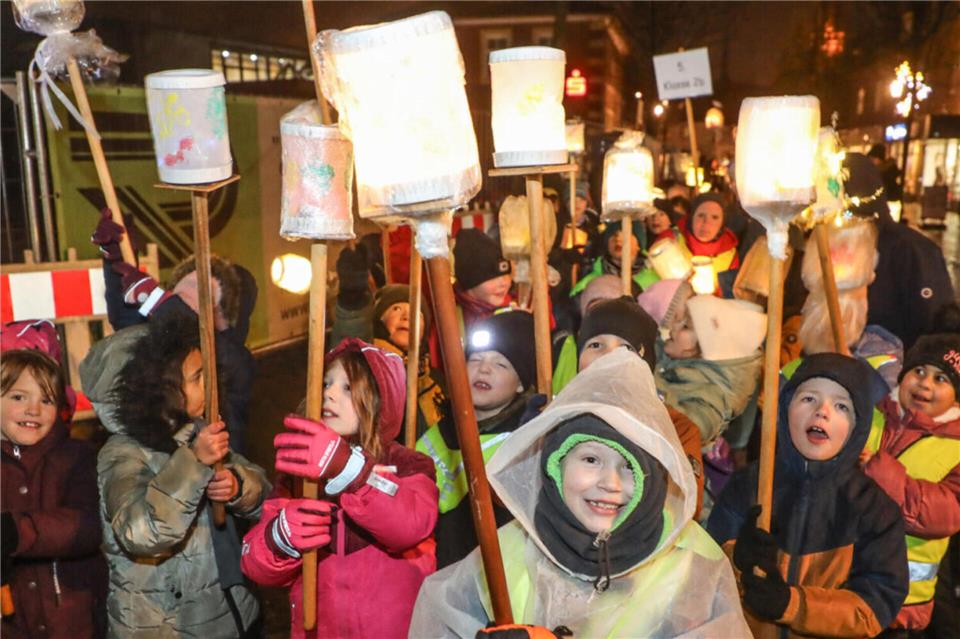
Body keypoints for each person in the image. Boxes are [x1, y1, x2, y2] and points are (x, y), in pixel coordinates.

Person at [409, 348, 750, 637]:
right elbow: (440, 617)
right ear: (555, 466)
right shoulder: (507, 551)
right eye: (590, 459)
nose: (610, 483)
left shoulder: (692, 569)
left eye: (630, 467)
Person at [80, 308, 269, 638]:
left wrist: (238, 486)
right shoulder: (121, 454)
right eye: (196, 378)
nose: (207, 384)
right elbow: (142, 533)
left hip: (226, 613)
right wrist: (194, 463)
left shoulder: (197, 431)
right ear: (154, 391)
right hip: (163, 624)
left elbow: (264, 493)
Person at [241, 338, 438, 639]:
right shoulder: (300, 475)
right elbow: (255, 565)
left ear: (380, 400)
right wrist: (281, 537)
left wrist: (350, 470)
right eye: (326, 383)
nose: (329, 394)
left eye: (348, 388)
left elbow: (408, 525)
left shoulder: (407, 464)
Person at [707, 353, 909, 639]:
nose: (822, 411)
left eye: (841, 406)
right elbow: (705, 575)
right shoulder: (747, 486)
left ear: (857, 426)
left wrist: (793, 605)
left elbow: (873, 608)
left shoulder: (873, 510)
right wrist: (737, 561)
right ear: (785, 409)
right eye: (808, 399)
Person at [91, 210, 258, 453]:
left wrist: (158, 301)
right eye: (177, 297)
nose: (180, 309)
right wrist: (116, 262)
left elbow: (225, 356)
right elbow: (130, 325)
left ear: (222, 319)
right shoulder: (161, 346)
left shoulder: (235, 364)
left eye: (192, 306)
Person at [417, 309, 536, 568]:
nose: (484, 369)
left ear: (520, 384)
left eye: (501, 364)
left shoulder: (524, 445)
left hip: (484, 580)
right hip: (429, 575)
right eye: (475, 359)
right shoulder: (438, 430)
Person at [2, 349, 107, 639]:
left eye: (46, 400)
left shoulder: (77, 456)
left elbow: (86, 526)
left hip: (74, 621)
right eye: (18, 397)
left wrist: (14, 531)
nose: (33, 409)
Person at [861, 333, 960, 633]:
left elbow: (943, 514)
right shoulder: (871, 418)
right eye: (918, 371)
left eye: (941, 378)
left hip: (901, 605)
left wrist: (879, 470)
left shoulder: (956, 448)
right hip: (845, 587)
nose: (925, 384)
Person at [658, 192, 740, 294]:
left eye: (714, 217)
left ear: (722, 223)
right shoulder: (669, 240)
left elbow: (730, 297)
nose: (706, 222)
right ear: (691, 217)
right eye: (701, 215)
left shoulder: (730, 254)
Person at [569, 220, 659, 300]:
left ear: (638, 244)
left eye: (625, 234)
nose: (618, 239)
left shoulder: (656, 282)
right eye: (613, 235)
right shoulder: (589, 285)